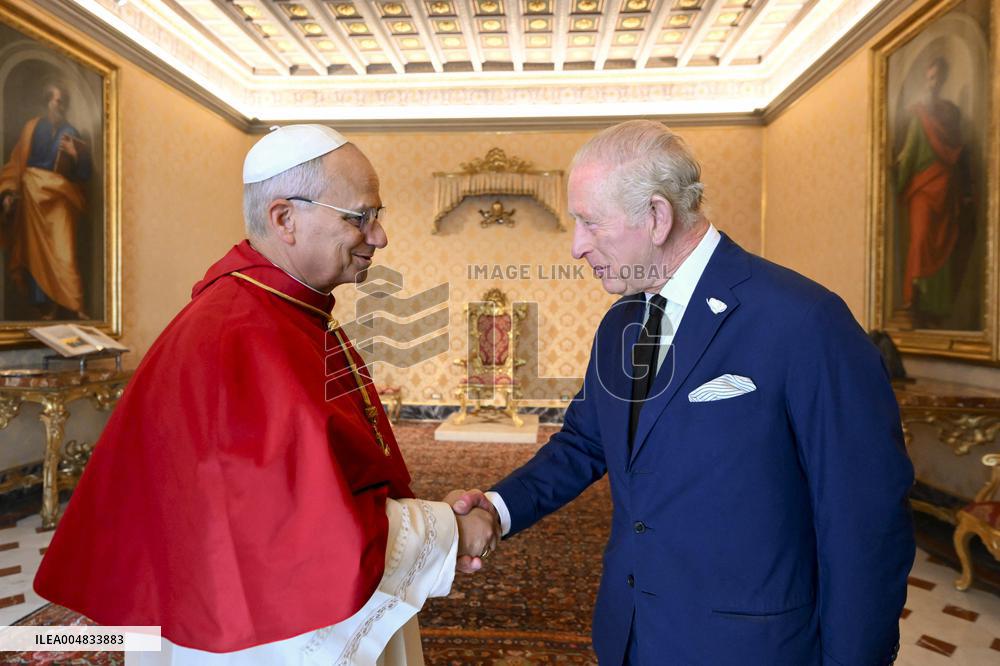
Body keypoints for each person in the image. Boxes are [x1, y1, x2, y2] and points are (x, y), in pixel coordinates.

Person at [452, 120, 914, 665]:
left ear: (656, 216)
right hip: (632, 636)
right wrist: (496, 510)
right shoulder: (622, 322)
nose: (577, 246)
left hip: (751, 648)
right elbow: (584, 444)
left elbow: (865, 522)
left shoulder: (804, 321)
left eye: (590, 223)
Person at [34, 124, 499, 665]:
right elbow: (300, 532)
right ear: (285, 219)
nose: (379, 236)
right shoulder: (243, 332)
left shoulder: (276, 309)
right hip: (260, 633)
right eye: (360, 216)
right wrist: (449, 531)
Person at [0, 81, 91, 320]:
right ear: (47, 102)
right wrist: (8, 192)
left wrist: (74, 154)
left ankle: (73, 303)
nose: (58, 105)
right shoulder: (31, 128)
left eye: (62, 102)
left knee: (63, 253)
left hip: (60, 196)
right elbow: (15, 164)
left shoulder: (72, 132)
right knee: (34, 251)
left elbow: (84, 175)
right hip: (31, 193)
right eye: (54, 100)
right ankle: (44, 306)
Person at [894, 55, 972, 324]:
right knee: (921, 241)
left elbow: (959, 153)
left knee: (942, 244)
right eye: (929, 77)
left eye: (937, 77)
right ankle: (915, 299)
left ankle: (935, 306)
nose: (932, 82)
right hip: (924, 189)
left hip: (945, 186)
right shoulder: (919, 114)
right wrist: (901, 170)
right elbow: (912, 152)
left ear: (943, 79)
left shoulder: (950, 113)